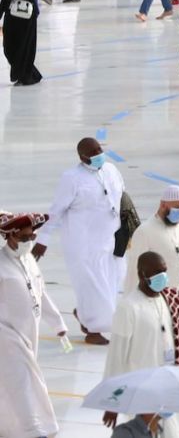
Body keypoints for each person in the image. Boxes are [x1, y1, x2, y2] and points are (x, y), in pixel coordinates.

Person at [46, 137, 124, 344]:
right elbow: (56, 211)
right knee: (92, 287)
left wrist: (127, 229)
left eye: (99, 148)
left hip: (112, 240)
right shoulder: (72, 178)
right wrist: (42, 239)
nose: (99, 153)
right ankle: (93, 330)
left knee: (112, 285)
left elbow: (122, 197)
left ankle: (84, 314)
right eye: (93, 151)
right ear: (82, 157)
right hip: (83, 245)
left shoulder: (112, 170)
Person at [102, 251, 179, 437]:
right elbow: (116, 356)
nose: (162, 277)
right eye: (156, 272)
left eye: (164, 271)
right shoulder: (128, 307)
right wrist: (112, 402)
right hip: (141, 392)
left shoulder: (165, 299)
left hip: (165, 386)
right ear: (141, 274)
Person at [0, 211, 67, 438]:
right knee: (22, 381)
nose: (29, 242)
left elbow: (40, 293)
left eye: (32, 237)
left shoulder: (29, 261)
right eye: (24, 238)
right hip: (7, 335)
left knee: (18, 381)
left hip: (30, 333)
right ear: (10, 236)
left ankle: (10, 427)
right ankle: (33, 429)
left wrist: (58, 323)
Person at [121, 186, 179, 315]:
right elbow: (134, 272)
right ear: (163, 205)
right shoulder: (145, 232)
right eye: (177, 207)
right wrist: (130, 306)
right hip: (157, 303)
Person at [1, 0, 42, 84]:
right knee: (25, 48)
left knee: (12, 47)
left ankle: (24, 76)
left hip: (15, 19)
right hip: (29, 19)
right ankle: (28, 74)